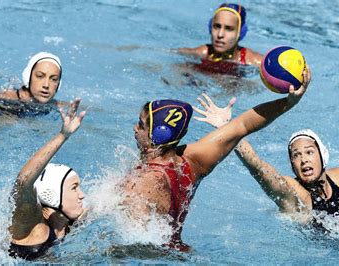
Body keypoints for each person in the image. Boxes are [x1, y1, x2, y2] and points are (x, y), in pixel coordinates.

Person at [120, 68, 310, 251]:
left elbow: (137, 241)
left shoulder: (145, 182)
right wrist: (289, 102)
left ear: (159, 135)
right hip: (181, 252)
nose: (135, 128)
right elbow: (243, 124)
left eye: (142, 125)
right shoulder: (192, 161)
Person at [193, 92, 339, 227]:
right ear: (292, 165)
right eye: (296, 155)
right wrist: (227, 129)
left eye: (309, 152)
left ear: (323, 156)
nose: (303, 160)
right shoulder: (295, 195)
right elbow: (257, 167)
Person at [8, 99, 86, 260]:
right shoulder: (31, 224)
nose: (82, 195)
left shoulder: (68, 218)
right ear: (53, 195)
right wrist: (63, 136)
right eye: (74, 188)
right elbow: (23, 181)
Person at [177, 3, 263, 76]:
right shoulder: (203, 52)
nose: (220, 34)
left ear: (240, 32)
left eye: (229, 28)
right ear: (210, 27)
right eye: (217, 26)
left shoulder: (253, 60)